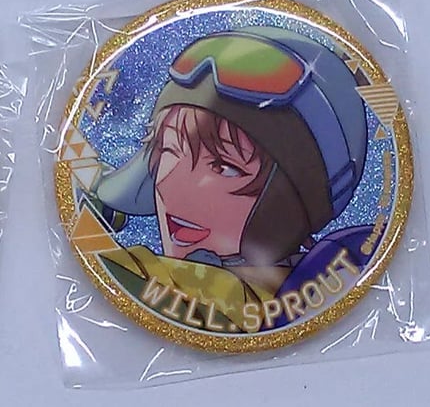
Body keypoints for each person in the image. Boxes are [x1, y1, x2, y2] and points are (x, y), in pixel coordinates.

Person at [90, 26, 379, 332]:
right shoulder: (309, 285)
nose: (169, 187)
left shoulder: (224, 298)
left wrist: (90, 202)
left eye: (223, 167)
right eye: (170, 151)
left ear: (286, 202)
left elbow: (117, 266)